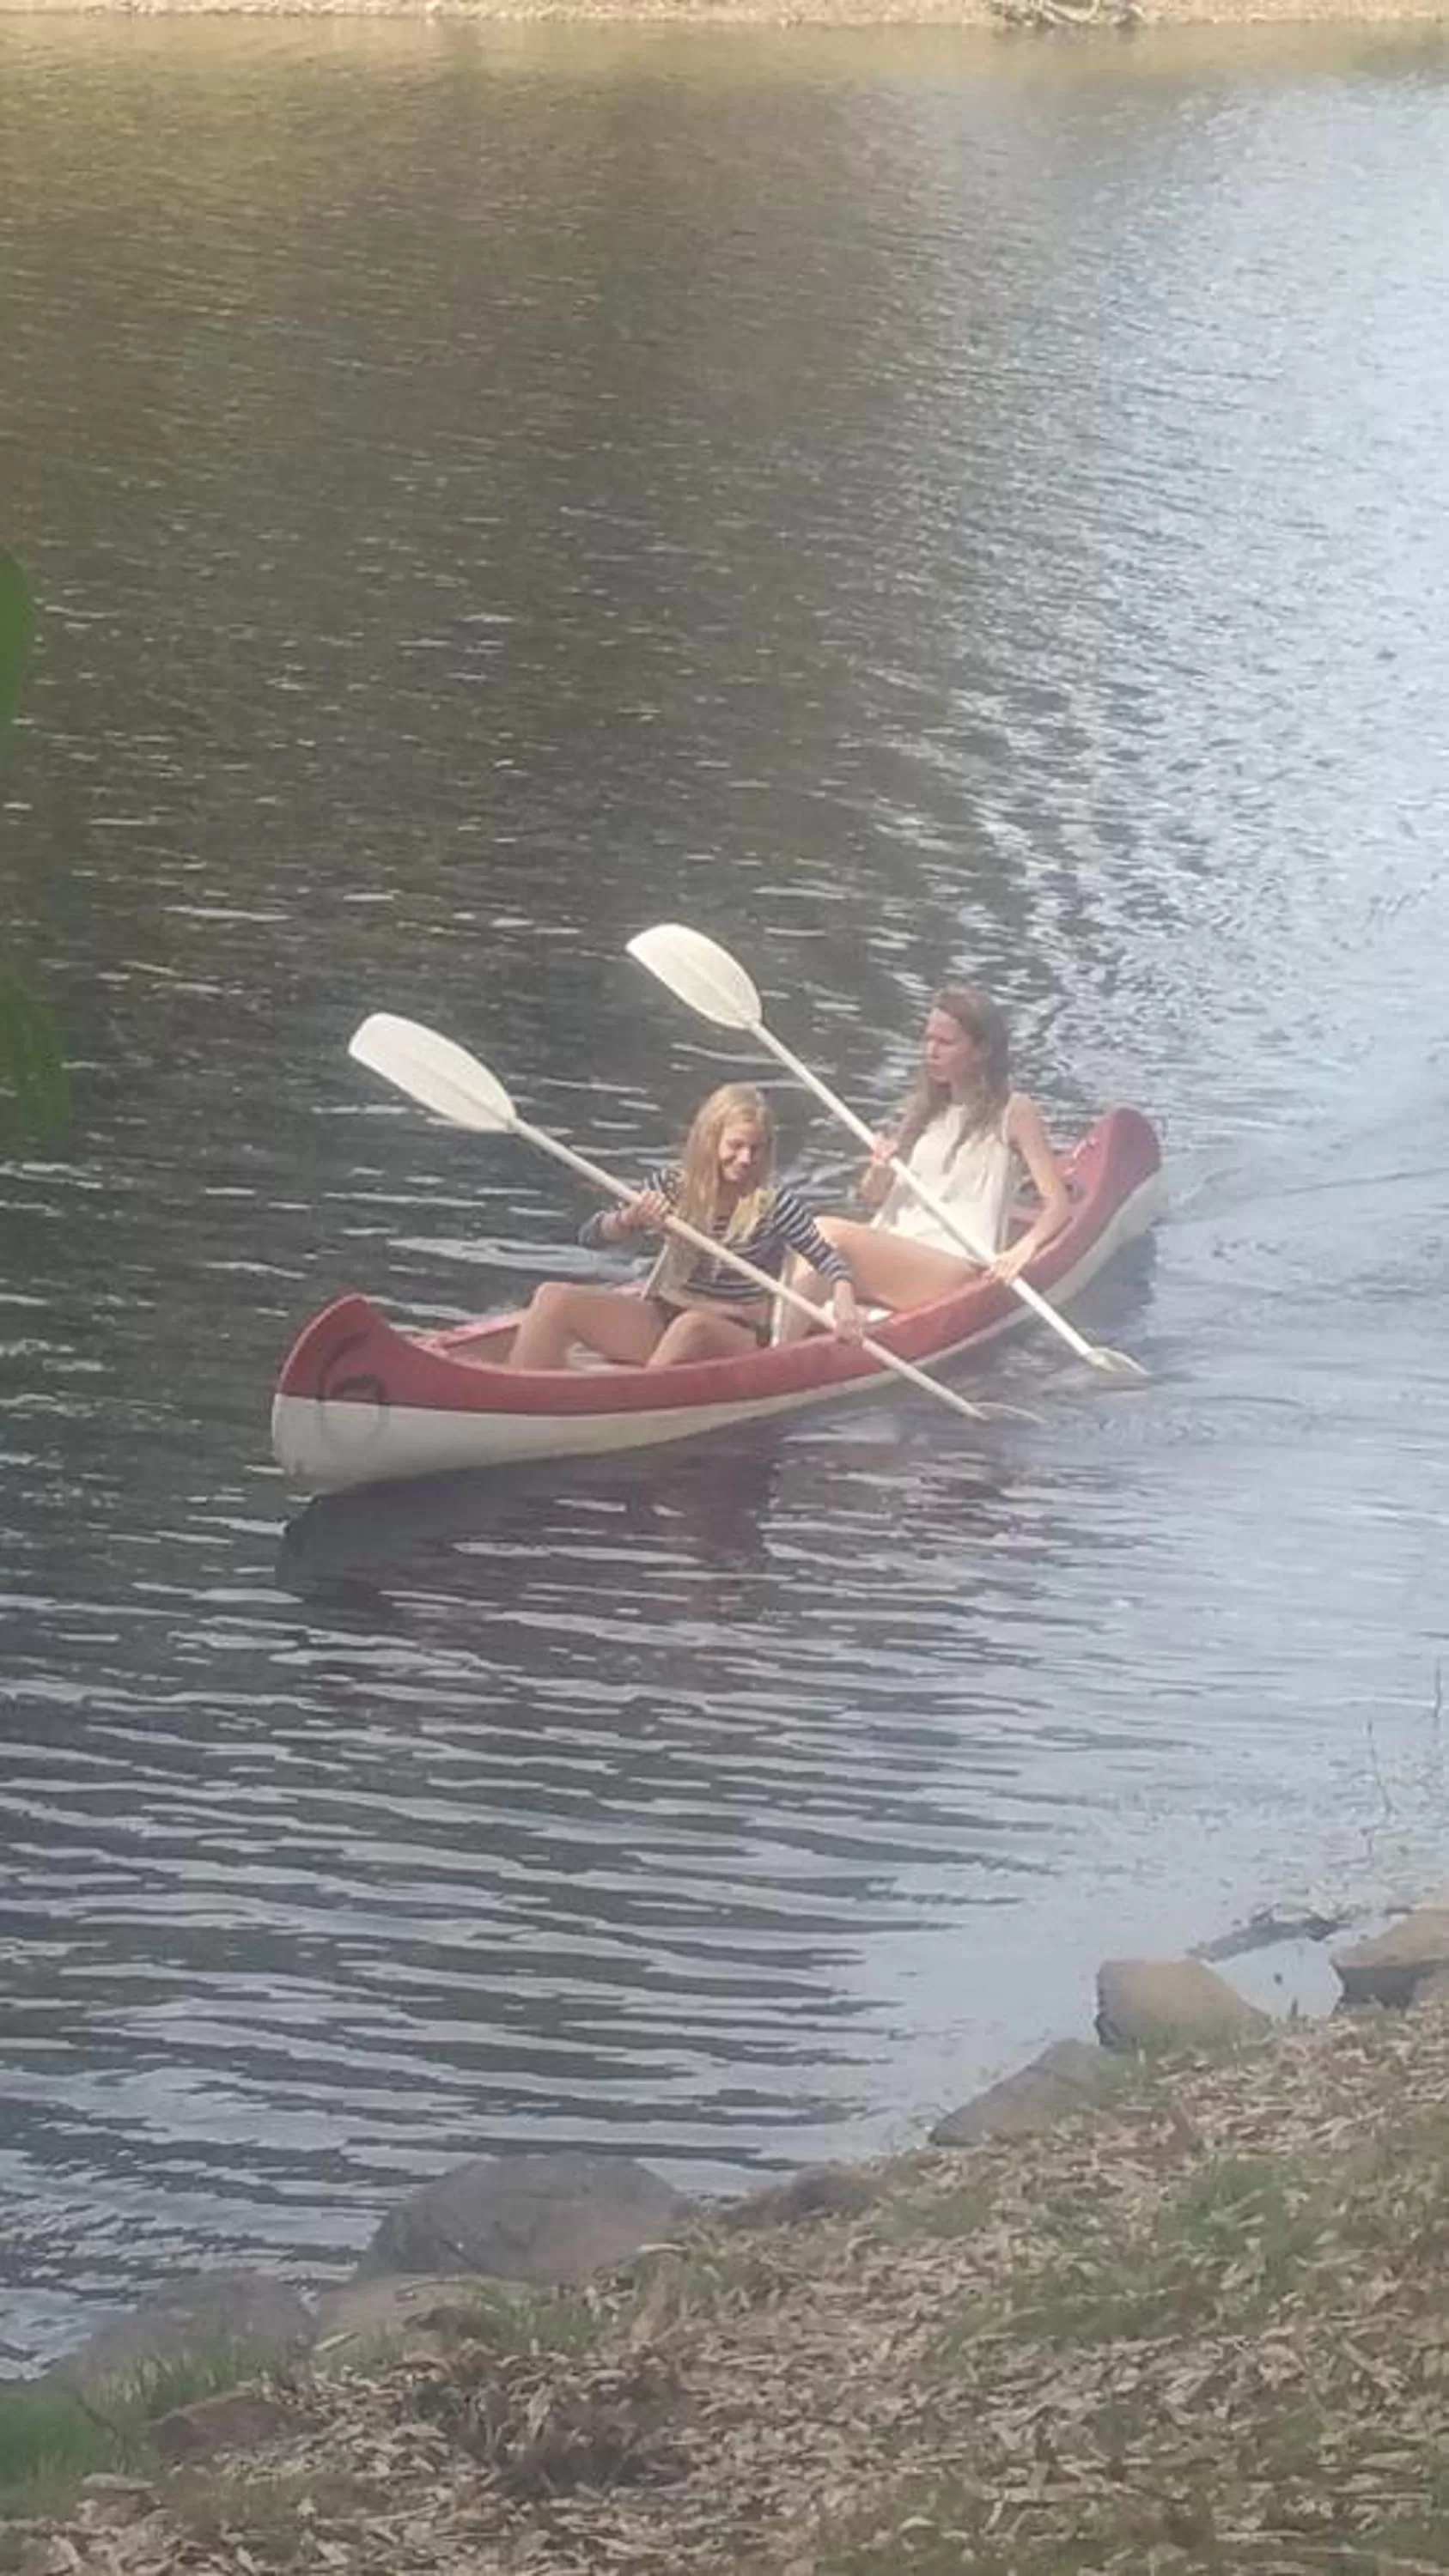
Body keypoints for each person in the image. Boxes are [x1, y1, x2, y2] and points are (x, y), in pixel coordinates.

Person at [505, 1082, 861, 1372]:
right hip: (664, 1315)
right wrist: (630, 1218)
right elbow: (590, 1236)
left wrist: (845, 1304)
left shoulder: (772, 1203)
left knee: (691, 1326)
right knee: (554, 1298)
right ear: (710, 1140)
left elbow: (829, 1260)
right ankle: (518, 1403)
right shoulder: (673, 1186)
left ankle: (635, 1406)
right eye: (735, 1146)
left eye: (756, 1149)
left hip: (731, 1332)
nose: (745, 1159)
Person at [782, 985, 1070, 1327]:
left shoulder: (1015, 1112)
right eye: (928, 1039)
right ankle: (780, 1341)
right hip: (898, 1249)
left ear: (981, 1050)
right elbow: (872, 1196)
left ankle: (773, 1358)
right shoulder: (922, 1109)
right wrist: (879, 1167)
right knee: (797, 1242)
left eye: (945, 1043)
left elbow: (1058, 1204)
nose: (930, 1051)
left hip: (954, 1263)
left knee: (824, 1233)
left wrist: (1024, 1249)